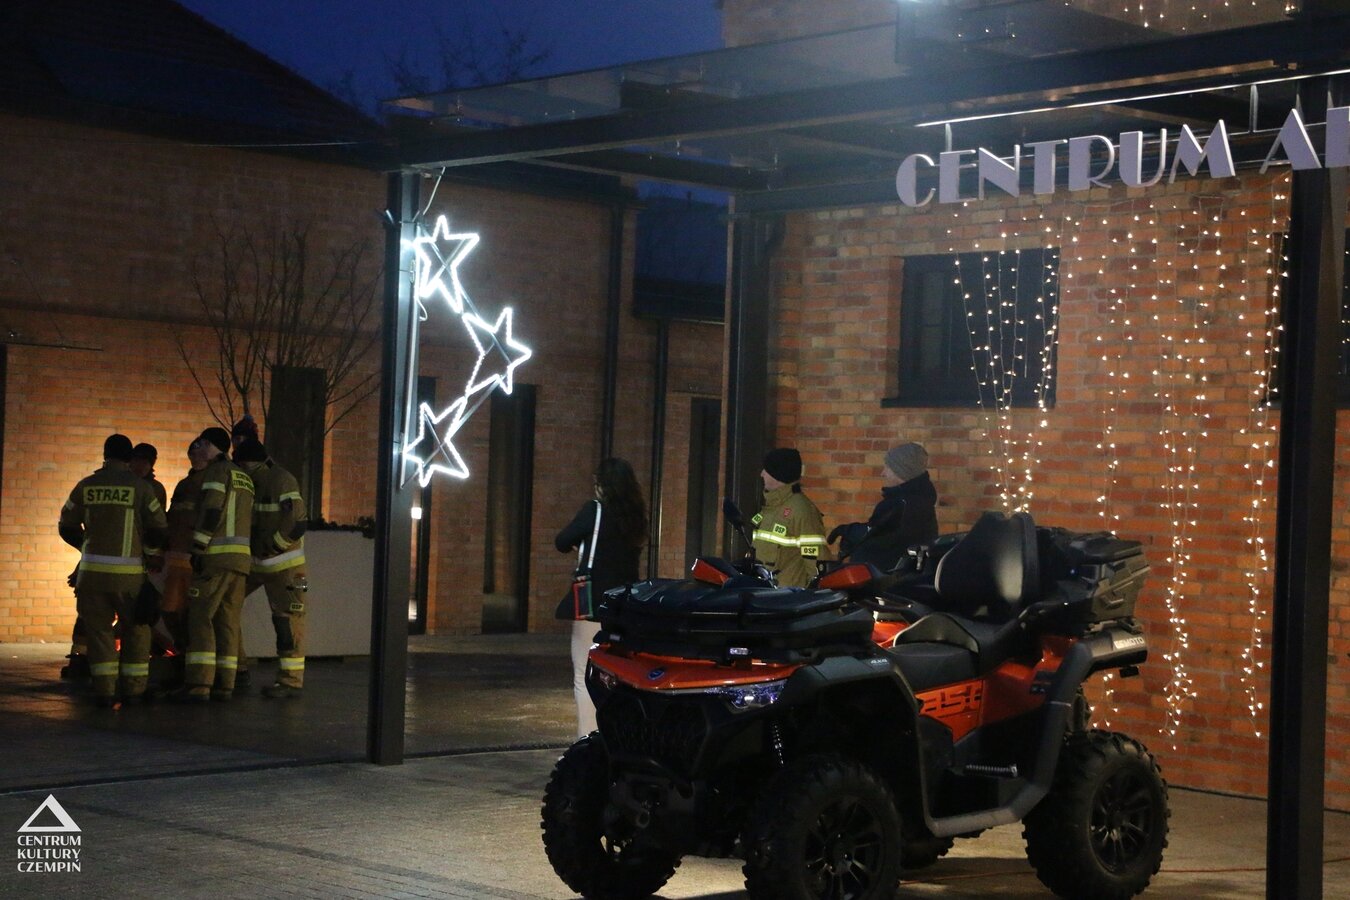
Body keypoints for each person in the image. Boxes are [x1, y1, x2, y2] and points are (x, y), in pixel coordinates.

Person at [57, 434, 167, 706]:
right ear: (129, 457)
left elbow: (66, 525)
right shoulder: (141, 488)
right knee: (136, 630)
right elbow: (157, 528)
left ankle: (105, 691)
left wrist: (86, 547)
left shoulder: (86, 486)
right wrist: (149, 554)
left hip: (92, 577)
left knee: (99, 633)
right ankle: (134, 689)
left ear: (105, 455)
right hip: (129, 579)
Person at [554, 457, 646, 738]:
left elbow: (561, 541)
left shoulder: (594, 510)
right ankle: (615, 737)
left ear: (603, 485)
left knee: (584, 673)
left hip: (593, 603)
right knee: (617, 674)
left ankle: (588, 739)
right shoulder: (636, 517)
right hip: (624, 606)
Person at [175, 427, 254, 703]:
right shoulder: (243, 476)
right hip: (240, 561)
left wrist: (198, 547)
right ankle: (225, 684)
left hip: (216, 557)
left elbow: (211, 510)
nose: (199, 448)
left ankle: (199, 684)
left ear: (210, 445)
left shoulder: (216, 473)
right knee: (228, 621)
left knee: (200, 618)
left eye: (202, 443)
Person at [235, 437, 310, 699]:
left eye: (243, 465)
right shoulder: (253, 480)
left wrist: (273, 546)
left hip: (287, 568)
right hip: (257, 563)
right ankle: (238, 669)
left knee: (288, 622)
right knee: (227, 609)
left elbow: (297, 522)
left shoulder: (282, 480)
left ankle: (290, 681)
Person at [846, 442, 939, 571]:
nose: (883, 473)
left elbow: (876, 546)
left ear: (901, 471)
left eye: (888, 468)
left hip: (888, 581)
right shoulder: (919, 501)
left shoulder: (898, 506)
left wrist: (851, 534)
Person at [751, 447, 828, 588]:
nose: (762, 474)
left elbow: (816, 563)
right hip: (764, 593)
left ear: (778, 475)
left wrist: (812, 594)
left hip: (787, 596)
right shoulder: (771, 507)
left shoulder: (802, 510)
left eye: (766, 470)